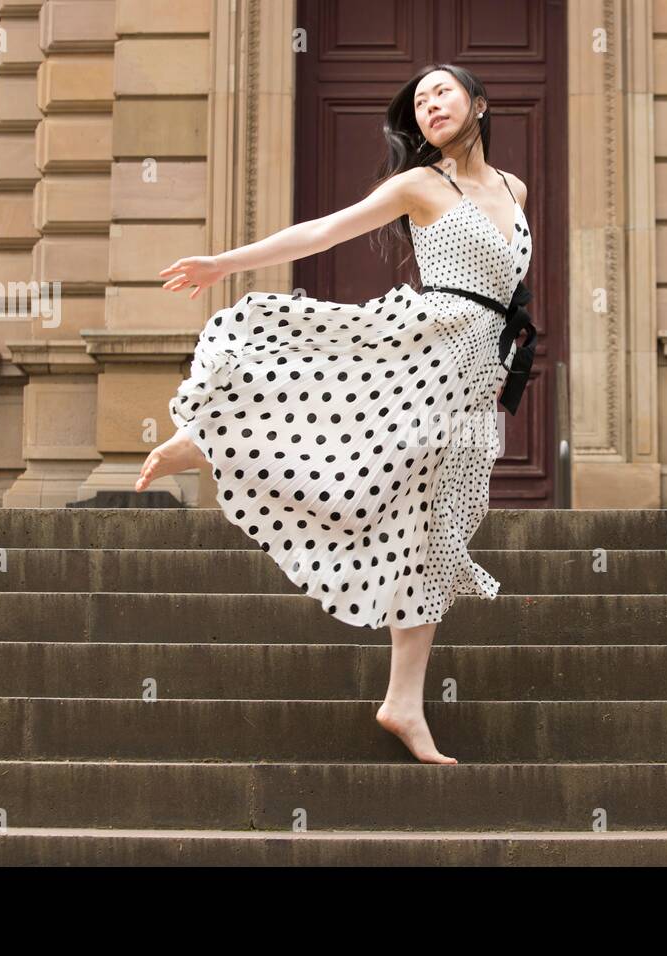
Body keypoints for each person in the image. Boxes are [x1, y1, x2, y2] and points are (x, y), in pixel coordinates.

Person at [135, 64, 533, 764]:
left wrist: (501, 372)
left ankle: (403, 703)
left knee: (438, 533)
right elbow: (324, 233)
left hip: (479, 377)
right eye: (420, 100)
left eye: (442, 92)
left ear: (479, 102)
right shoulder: (420, 185)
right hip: (431, 344)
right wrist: (224, 263)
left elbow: (506, 291)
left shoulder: (514, 190)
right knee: (354, 437)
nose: (430, 103)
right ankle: (208, 440)